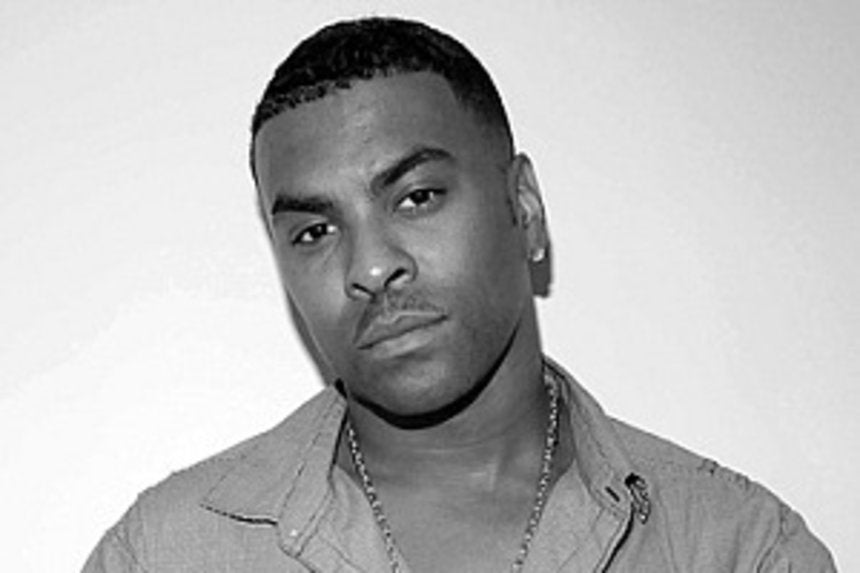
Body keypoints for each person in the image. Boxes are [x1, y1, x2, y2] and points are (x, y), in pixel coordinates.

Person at [83, 16, 835, 572]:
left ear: (524, 208)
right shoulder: (163, 553)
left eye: (416, 197)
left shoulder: (738, 549)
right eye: (314, 231)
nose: (370, 266)